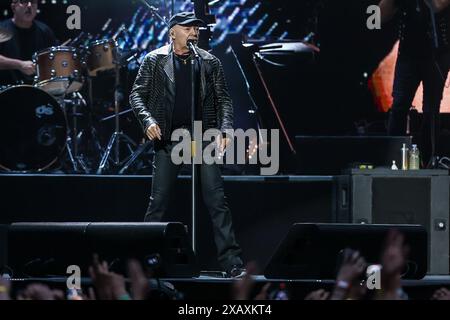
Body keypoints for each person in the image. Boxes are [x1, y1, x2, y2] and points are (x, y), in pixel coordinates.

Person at [130, 12, 245, 277]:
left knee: (217, 200)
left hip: (202, 138)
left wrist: (225, 129)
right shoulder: (155, 60)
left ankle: (232, 263)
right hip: (169, 139)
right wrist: (147, 121)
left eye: (197, 28)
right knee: (158, 202)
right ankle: (147, 262)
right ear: (172, 31)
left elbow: (223, 99)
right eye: (188, 27)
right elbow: (136, 95)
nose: (194, 32)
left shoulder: (208, 62)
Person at [379, 0, 450, 166]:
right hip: (408, 52)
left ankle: (429, 160)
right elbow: (378, 17)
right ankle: (393, 158)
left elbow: (438, 5)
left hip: (436, 53)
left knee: (431, 109)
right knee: (399, 106)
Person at [0, 0, 57, 86]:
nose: (30, 5)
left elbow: (54, 60)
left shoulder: (45, 31)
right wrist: (19, 65)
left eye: (33, 2)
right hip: (5, 91)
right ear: (13, 7)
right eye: (24, 1)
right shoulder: (2, 29)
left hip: (39, 91)